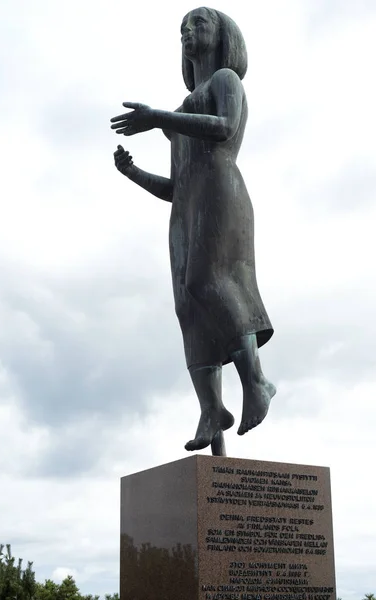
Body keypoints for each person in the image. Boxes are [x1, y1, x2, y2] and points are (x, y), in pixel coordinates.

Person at [111, 7, 275, 455]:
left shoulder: (226, 80)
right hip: (186, 210)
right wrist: (133, 173)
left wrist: (160, 118)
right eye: (182, 28)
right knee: (188, 305)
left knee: (208, 281)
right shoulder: (181, 112)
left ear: (223, 36)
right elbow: (175, 186)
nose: (187, 33)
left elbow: (223, 129)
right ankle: (210, 408)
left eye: (198, 24)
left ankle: (256, 381)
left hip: (222, 194)